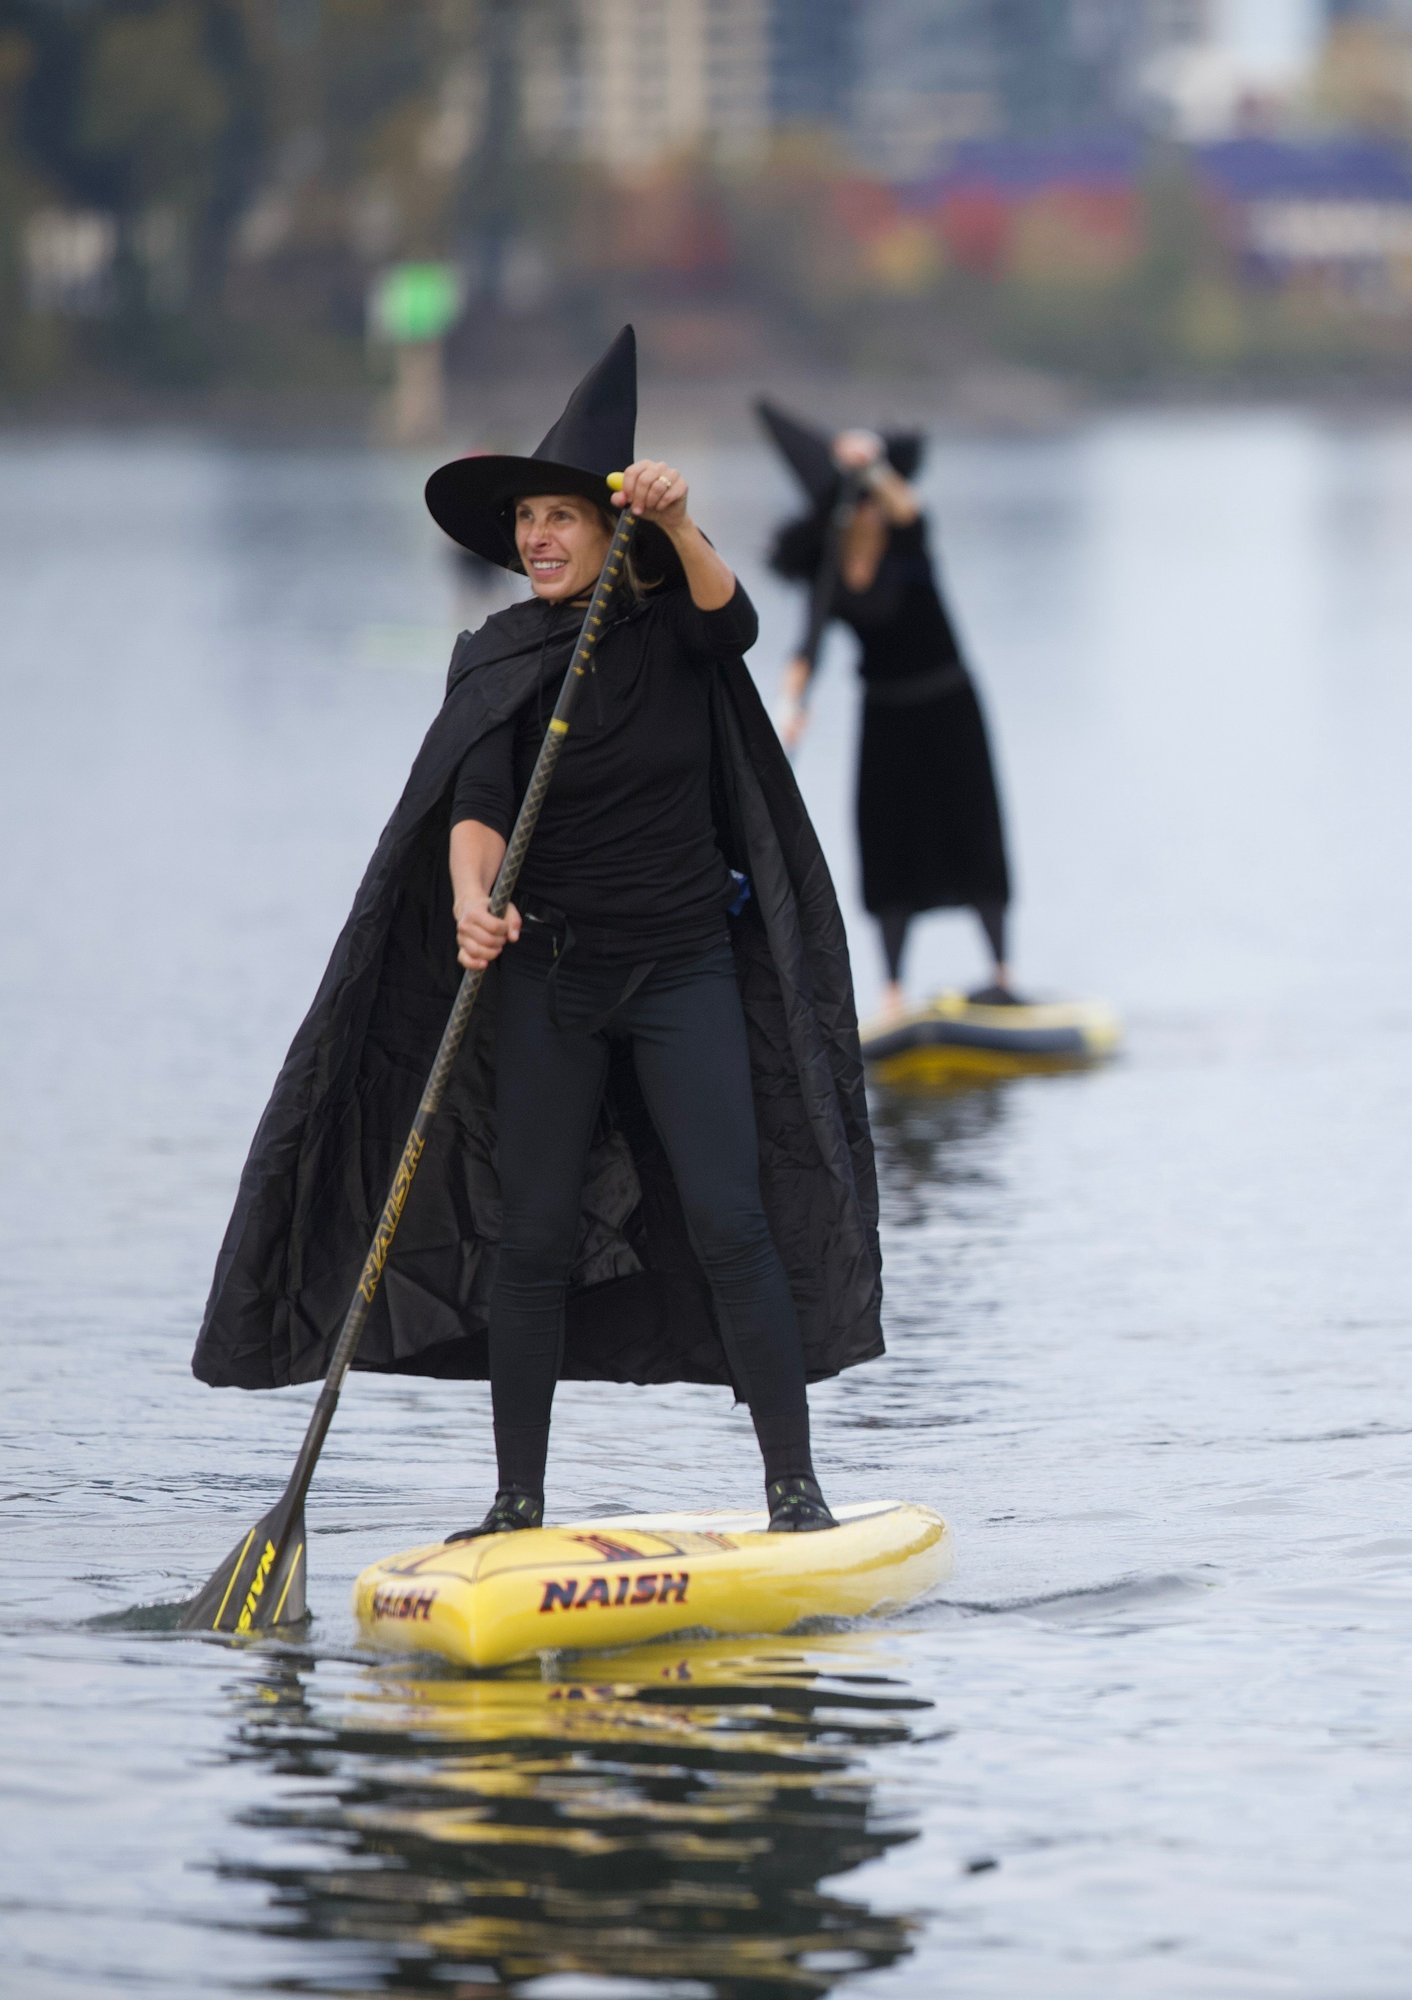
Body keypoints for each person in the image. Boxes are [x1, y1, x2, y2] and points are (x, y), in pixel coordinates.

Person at [192, 329, 886, 1537]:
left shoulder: (672, 629)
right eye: (525, 520)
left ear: (608, 529)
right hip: (548, 979)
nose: (537, 539)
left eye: (561, 516)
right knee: (533, 1236)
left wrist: (678, 523)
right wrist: (472, 897)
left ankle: (794, 1491)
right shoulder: (499, 655)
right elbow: (471, 809)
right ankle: (516, 1504)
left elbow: (738, 623)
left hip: (682, 970)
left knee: (732, 1219)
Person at [759, 400, 1017, 1020]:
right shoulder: (829, 567)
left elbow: (907, 506)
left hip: (947, 705)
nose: (869, 513)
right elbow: (809, 644)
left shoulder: (907, 537)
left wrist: (869, 466)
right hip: (886, 716)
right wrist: (790, 704)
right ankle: (894, 993)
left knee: (972, 831)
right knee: (887, 845)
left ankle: (1001, 974)